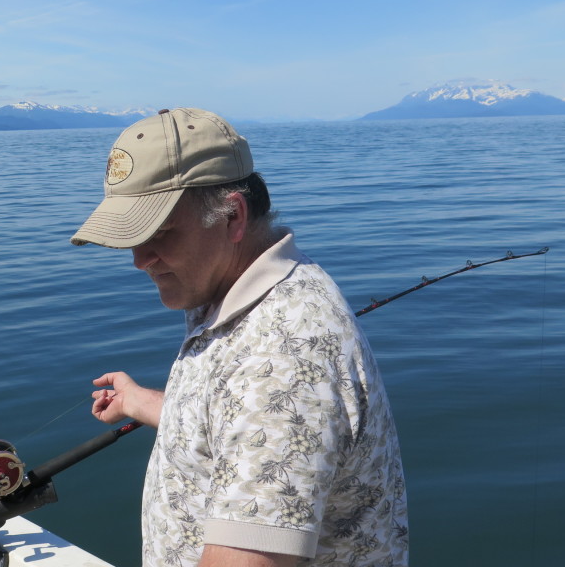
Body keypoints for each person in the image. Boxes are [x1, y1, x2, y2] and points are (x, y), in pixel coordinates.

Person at [71, 108, 408, 567]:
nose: (140, 259)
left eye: (159, 233)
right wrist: (140, 402)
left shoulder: (287, 350)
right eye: (132, 236)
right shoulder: (223, 285)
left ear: (233, 215)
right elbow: (238, 420)